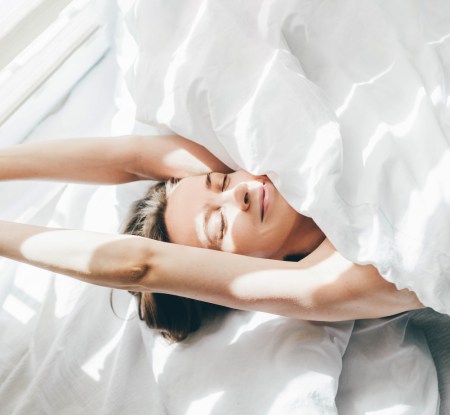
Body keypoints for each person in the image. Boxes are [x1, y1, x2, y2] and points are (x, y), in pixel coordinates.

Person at [0, 135, 424, 340]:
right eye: (218, 227)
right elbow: (142, 265)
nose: (236, 193)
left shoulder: (296, 157)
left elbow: (133, 160)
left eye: (220, 179)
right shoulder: (333, 275)